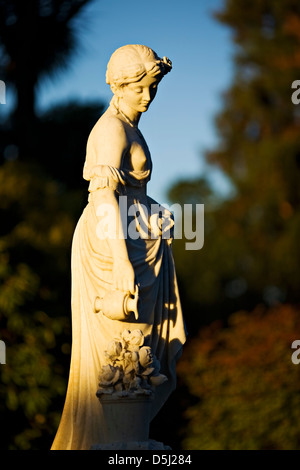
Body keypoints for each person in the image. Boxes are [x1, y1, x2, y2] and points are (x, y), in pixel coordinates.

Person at [51, 44, 186, 450]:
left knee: (138, 353)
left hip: (133, 240)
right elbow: (104, 198)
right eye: (140, 88)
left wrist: (154, 213)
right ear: (120, 85)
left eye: (153, 87)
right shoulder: (110, 129)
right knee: (124, 351)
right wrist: (124, 262)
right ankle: (119, 446)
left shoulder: (130, 125)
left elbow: (130, 193)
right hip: (113, 247)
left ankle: (126, 442)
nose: (147, 97)